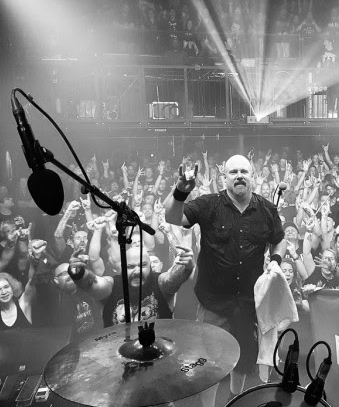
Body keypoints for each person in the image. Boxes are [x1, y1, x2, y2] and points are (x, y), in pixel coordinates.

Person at [163, 155, 286, 405]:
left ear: (252, 176)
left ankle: (234, 398)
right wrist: (180, 192)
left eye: (244, 171)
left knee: (243, 358)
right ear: (224, 178)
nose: (239, 176)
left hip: (248, 301)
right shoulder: (209, 204)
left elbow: (279, 239)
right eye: (233, 172)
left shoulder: (266, 209)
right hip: (213, 302)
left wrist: (275, 260)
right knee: (209, 363)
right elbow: (173, 218)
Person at [67, 245, 194, 326]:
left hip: (159, 353)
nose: (137, 271)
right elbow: (92, 283)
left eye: (142, 265)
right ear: (122, 268)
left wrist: (185, 267)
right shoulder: (111, 286)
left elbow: (171, 280)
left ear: (150, 266)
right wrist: (78, 273)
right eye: (130, 267)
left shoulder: (160, 283)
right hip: (118, 355)